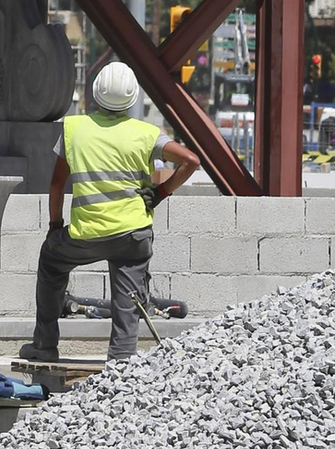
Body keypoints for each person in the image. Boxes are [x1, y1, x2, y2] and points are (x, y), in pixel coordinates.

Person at [19, 62, 201, 366]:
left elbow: (56, 183)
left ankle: (44, 345)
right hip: (132, 236)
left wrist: (55, 226)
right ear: (132, 99)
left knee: (52, 261)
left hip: (85, 235)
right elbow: (191, 160)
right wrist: (161, 192)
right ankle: (121, 365)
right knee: (128, 300)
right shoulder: (145, 134)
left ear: (95, 94)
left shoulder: (74, 129)